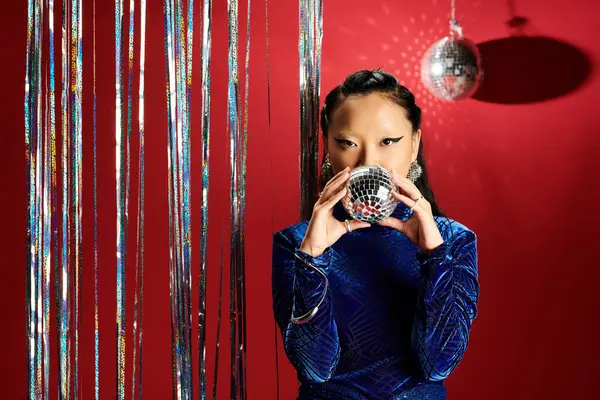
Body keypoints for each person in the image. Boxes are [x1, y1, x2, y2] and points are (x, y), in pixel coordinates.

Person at [271, 69, 480, 400]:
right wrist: (313, 259)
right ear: (327, 146)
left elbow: (437, 365)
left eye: (388, 142)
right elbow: (314, 369)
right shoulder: (295, 243)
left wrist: (435, 258)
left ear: (413, 145)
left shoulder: (453, 240)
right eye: (348, 143)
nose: (369, 161)